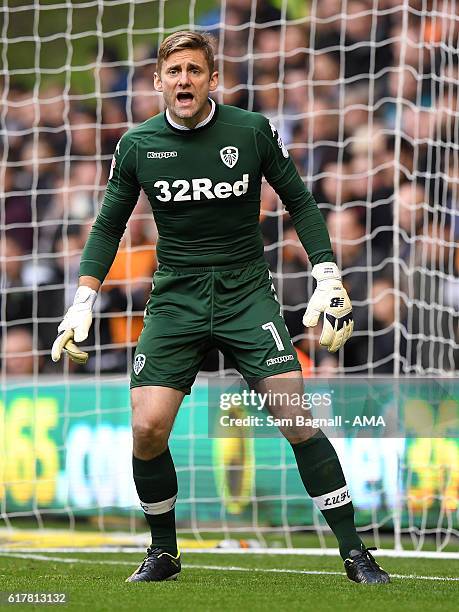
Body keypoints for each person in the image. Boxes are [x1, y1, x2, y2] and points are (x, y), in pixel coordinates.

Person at [51, 31, 389, 585]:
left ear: (213, 79)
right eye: (173, 72)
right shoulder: (137, 144)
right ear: (158, 82)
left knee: (294, 415)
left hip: (245, 291)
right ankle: (164, 553)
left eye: (193, 70)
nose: (183, 80)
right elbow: (109, 224)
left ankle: (355, 552)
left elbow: (299, 200)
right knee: (147, 428)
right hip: (176, 296)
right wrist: (84, 297)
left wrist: (327, 274)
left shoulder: (251, 131)